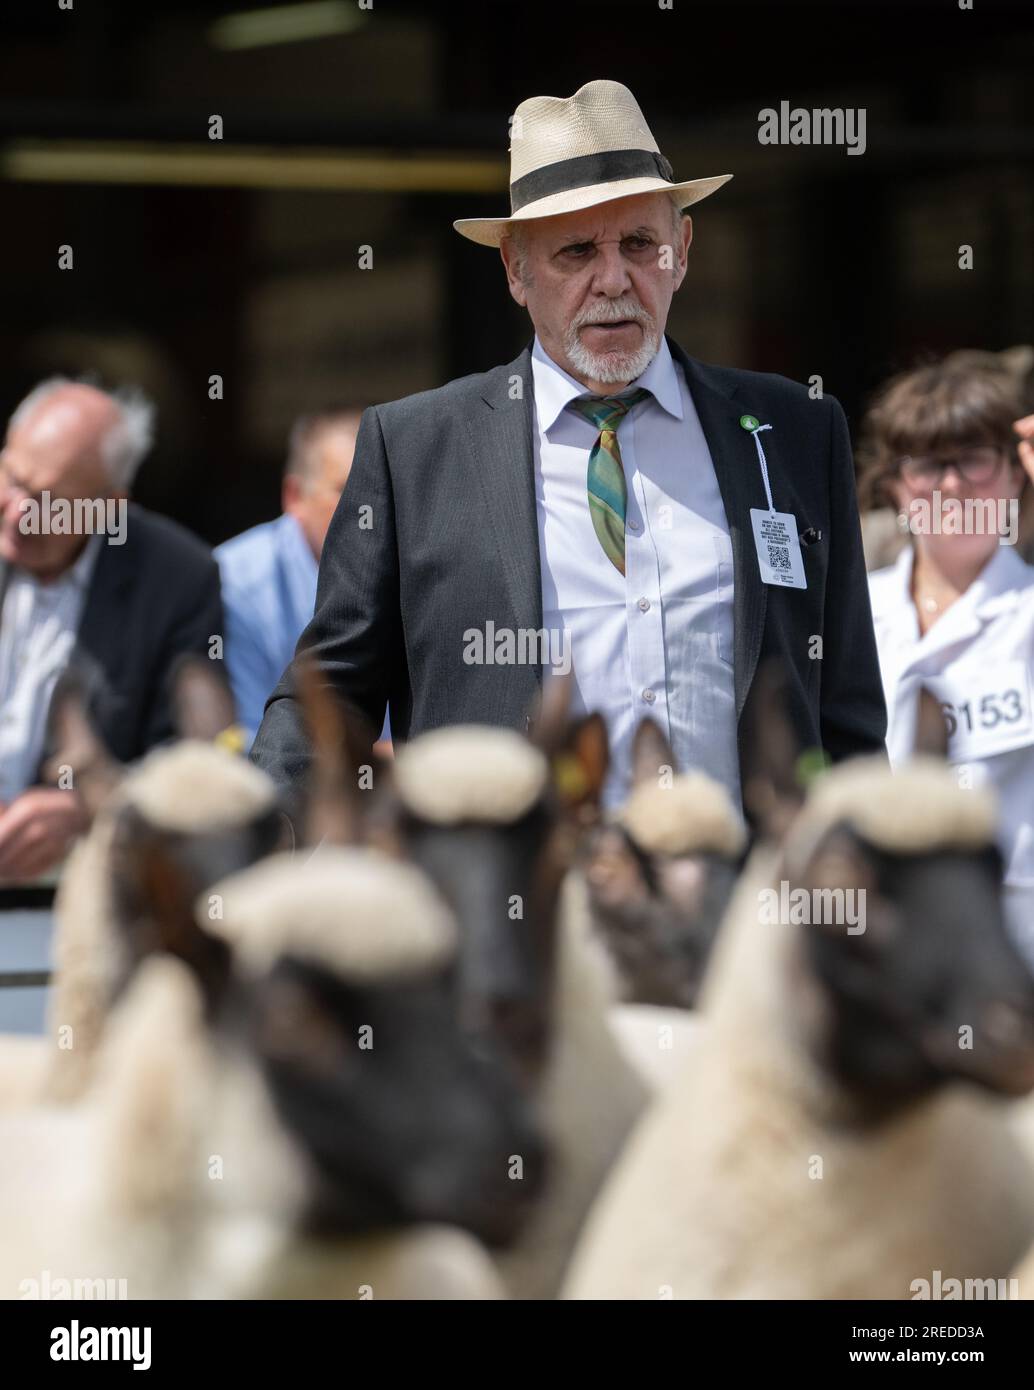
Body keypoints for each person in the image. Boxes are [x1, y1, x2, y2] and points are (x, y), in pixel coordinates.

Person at [251, 78, 886, 816]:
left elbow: (847, 715)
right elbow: (330, 696)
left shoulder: (797, 430)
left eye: (640, 244)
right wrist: (249, 840)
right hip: (516, 913)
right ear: (515, 269)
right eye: (576, 252)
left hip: (741, 908)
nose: (613, 280)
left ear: (681, 248)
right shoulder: (415, 448)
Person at [0, 378, 223, 881]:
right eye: (12, 479)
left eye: (47, 501)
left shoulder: (178, 578)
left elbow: (191, 761)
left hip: (80, 886)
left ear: (108, 508)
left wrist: (90, 807)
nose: (17, 514)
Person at [862, 359, 1034, 957]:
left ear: (1018, 476)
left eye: (976, 458)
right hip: (883, 954)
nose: (954, 485)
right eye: (931, 464)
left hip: (1015, 956)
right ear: (893, 489)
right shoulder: (850, 613)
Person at [216, 409, 362, 745]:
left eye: (385, 488)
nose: (370, 509)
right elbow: (242, 745)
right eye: (347, 490)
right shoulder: (232, 585)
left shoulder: (424, 568)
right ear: (295, 496)